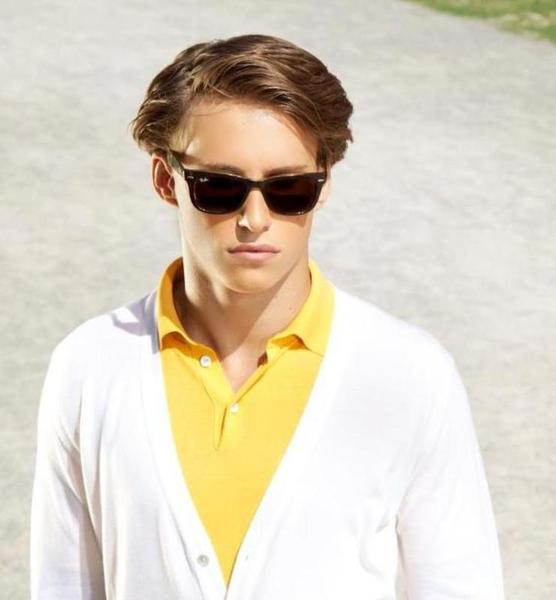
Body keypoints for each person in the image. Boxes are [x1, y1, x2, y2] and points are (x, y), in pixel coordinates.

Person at [30, 33, 505, 599]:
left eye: (289, 188)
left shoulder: (410, 373)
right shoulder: (90, 366)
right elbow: (62, 585)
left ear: (323, 185)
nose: (254, 219)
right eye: (219, 187)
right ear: (165, 180)